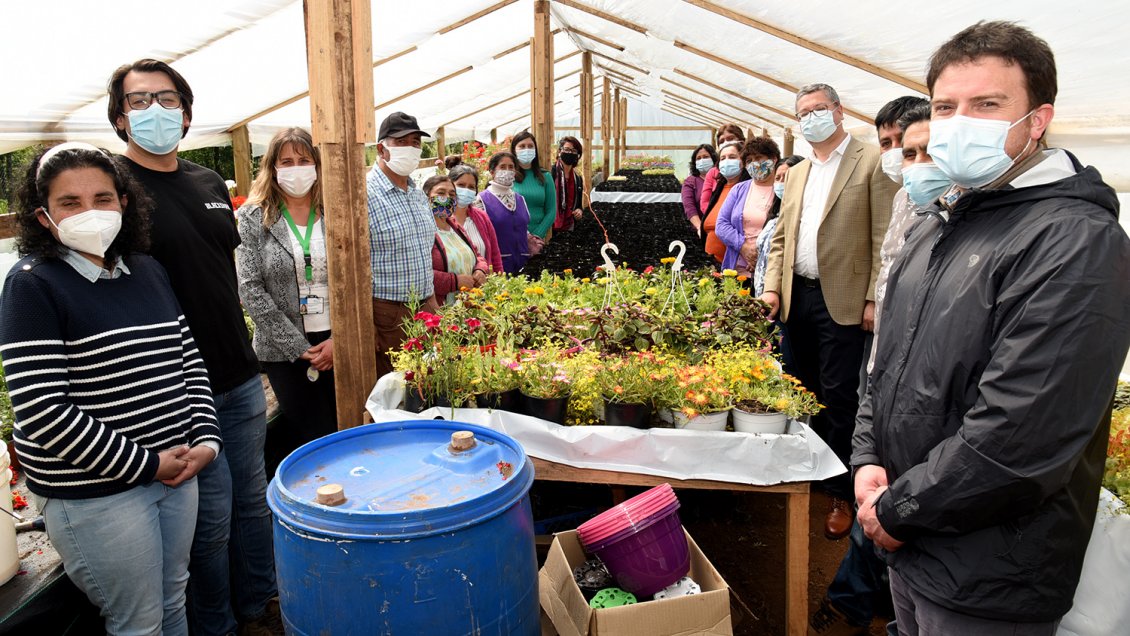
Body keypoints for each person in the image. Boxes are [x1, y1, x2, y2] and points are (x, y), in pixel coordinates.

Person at [853, 21, 1130, 635]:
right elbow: (886, 361)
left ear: (1037, 120)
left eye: (987, 105)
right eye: (946, 106)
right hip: (913, 537)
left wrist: (898, 509)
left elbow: (1023, 432)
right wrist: (870, 455)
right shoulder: (940, 223)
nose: (958, 123)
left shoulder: (1073, 240)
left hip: (991, 569)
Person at [0, 143, 222, 635]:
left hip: (178, 471)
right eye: (70, 203)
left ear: (124, 202)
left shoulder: (145, 270)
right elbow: (41, 411)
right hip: (99, 495)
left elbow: (188, 360)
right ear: (43, 216)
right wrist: (148, 464)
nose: (90, 212)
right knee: (137, 622)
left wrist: (207, 439)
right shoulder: (33, 286)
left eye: (103, 197)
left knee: (172, 598)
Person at [106, 59, 278, 635]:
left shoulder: (206, 183)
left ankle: (260, 604)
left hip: (237, 369)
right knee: (209, 522)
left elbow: (222, 269)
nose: (155, 111)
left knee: (253, 500)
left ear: (186, 111)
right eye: (139, 101)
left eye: (168, 98)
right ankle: (218, 623)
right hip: (176, 386)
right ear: (120, 116)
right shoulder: (115, 192)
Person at [809, 97, 930, 636]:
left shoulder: (971, 214)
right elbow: (891, 264)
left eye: (908, 146)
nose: (899, 157)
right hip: (889, 361)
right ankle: (860, 598)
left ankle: (854, 600)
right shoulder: (911, 197)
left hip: (919, 374)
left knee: (898, 493)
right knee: (878, 473)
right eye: (890, 146)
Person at [760, 82, 898, 542]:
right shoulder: (796, 172)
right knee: (800, 390)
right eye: (803, 113)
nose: (811, 118)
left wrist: (874, 298)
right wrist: (773, 288)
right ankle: (803, 475)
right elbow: (781, 236)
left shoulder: (869, 162)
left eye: (819, 109)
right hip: (797, 296)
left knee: (840, 398)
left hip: (841, 299)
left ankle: (840, 491)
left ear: (839, 113)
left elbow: (882, 234)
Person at [235, 128, 338, 448]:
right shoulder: (253, 216)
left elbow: (359, 275)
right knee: (310, 436)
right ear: (273, 168)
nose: (296, 168)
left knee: (344, 425)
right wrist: (296, 346)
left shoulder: (337, 210)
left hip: (338, 341)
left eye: (304, 160)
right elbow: (249, 286)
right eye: (287, 161)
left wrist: (341, 338)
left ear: (318, 165)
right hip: (284, 351)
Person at [367, 111, 438, 379]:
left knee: (428, 385)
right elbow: (352, 268)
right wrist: (369, 324)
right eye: (402, 142)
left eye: (416, 143)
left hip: (426, 308)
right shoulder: (365, 194)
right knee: (397, 389)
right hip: (389, 315)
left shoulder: (418, 195)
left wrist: (432, 304)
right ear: (381, 149)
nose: (411, 148)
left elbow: (424, 251)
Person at [715, 136, 781, 276]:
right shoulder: (739, 190)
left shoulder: (782, 190)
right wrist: (744, 247)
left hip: (771, 269)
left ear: (774, 159)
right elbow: (721, 225)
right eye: (749, 161)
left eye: (759, 158)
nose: (754, 164)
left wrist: (760, 255)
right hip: (738, 268)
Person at [422, 175, 488, 305]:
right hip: (441, 307)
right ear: (426, 196)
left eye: (452, 195)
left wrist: (480, 270)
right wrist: (455, 281)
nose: (446, 198)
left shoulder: (455, 228)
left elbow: (477, 255)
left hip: (469, 305)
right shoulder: (423, 231)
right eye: (441, 193)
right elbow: (419, 272)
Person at [754, 155, 802, 297]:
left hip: (784, 295)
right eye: (778, 178)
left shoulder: (802, 217)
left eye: (786, 178)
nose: (781, 183)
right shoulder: (775, 215)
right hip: (763, 292)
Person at [477, 152, 531, 274]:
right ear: (492, 171)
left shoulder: (520, 199)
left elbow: (523, 229)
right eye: (502, 167)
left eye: (511, 167)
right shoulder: (481, 200)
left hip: (524, 264)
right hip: (498, 267)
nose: (507, 171)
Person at [448, 164, 503, 273]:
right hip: (454, 286)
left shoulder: (482, 217)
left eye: (471, 187)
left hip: (482, 286)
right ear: (450, 186)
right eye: (461, 185)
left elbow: (495, 255)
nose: (466, 190)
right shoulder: (441, 220)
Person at [702, 141, 748, 263]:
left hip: (736, 266)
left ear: (743, 161)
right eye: (722, 158)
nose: (727, 161)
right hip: (712, 264)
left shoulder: (747, 189)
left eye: (732, 157)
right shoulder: (720, 188)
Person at [511, 131, 556, 246]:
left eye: (530, 146)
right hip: (513, 238)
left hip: (538, 240)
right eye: (522, 146)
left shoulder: (545, 176)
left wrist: (536, 235)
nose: (526, 149)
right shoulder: (509, 177)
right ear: (514, 150)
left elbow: (551, 211)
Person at [698, 123, 745, 213]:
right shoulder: (713, 173)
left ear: (741, 141)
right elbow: (704, 202)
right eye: (722, 141)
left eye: (730, 139)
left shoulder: (750, 173)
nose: (726, 143)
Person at [551, 136, 585, 234]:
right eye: (566, 149)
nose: (570, 153)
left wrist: (579, 210)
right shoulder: (551, 174)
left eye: (574, 151)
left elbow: (578, 204)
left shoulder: (577, 179)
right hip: (551, 226)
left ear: (578, 155)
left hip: (569, 225)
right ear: (559, 151)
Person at [682, 144, 717, 237]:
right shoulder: (690, 181)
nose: (702, 160)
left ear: (713, 158)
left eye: (706, 157)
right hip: (700, 232)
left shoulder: (721, 178)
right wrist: (700, 227)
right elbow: (689, 206)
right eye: (698, 158)